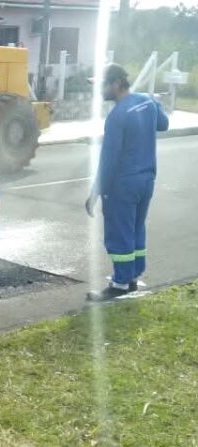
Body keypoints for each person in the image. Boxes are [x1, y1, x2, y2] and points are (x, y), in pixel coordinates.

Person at [85, 63, 169, 301]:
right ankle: (132, 275)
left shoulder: (117, 116)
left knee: (119, 232)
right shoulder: (146, 102)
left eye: (102, 85)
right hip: (146, 180)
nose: (99, 91)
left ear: (116, 84)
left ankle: (120, 283)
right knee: (135, 228)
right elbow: (163, 124)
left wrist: (96, 192)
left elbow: (109, 160)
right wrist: (156, 102)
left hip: (124, 184)